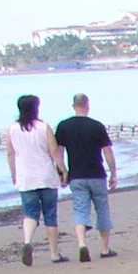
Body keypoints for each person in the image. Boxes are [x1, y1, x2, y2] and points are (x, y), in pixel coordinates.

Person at [54, 93, 118, 262]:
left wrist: (63, 172)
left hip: (77, 175)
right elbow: (107, 151)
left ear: (73, 106)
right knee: (102, 210)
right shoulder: (96, 126)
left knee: (80, 210)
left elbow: (58, 153)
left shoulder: (64, 126)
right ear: (87, 106)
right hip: (97, 174)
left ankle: (82, 244)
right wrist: (113, 173)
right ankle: (105, 249)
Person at [3, 93, 65, 267]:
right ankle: (54, 254)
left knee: (30, 213)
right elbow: (54, 151)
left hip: (26, 177)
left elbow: (10, 153)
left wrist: (14, 173)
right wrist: (63, 169)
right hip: (46, 176)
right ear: (36, 108)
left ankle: (28, 241)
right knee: (50, 214)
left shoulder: (13, 129)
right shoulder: (44, 127)